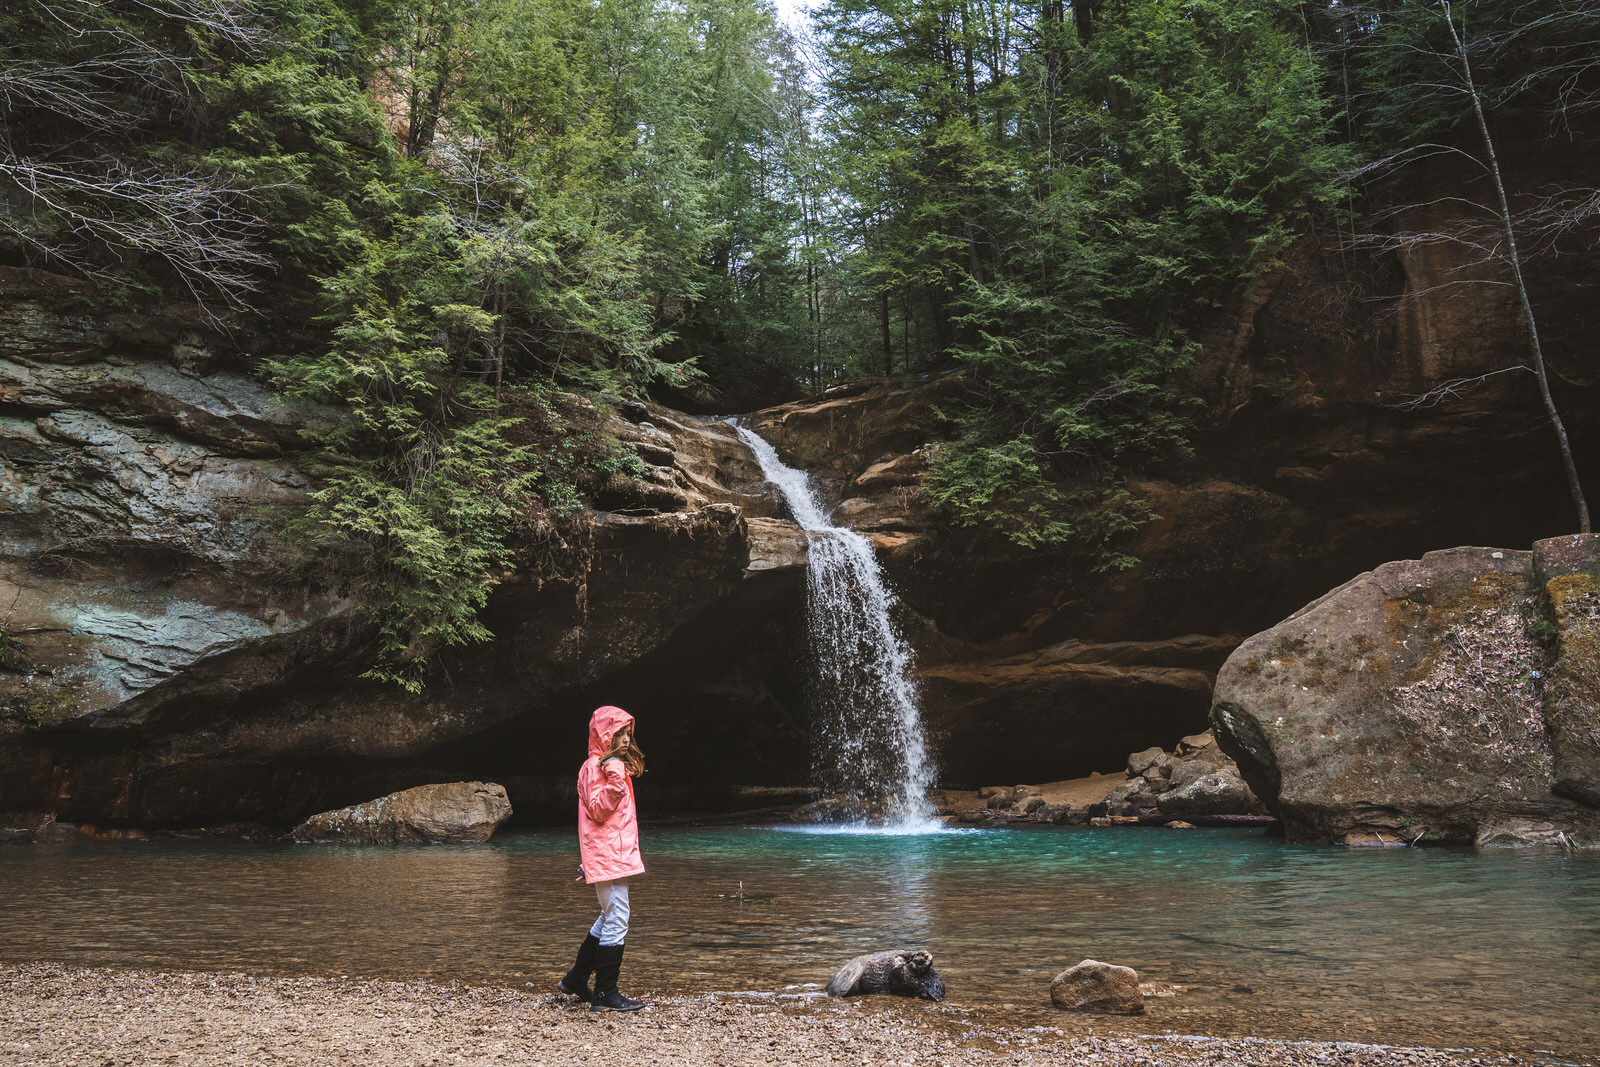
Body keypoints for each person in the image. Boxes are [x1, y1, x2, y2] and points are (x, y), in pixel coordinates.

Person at [558, 704, 647, 1012]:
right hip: (608, 854)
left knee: (610, 914)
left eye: (627, 734)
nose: (624, 740)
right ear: (604, 735)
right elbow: (597, 810)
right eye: (618, 734)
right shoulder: (597, 766)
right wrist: (616, 779)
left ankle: (576, 979)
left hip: (611, 852)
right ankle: (606, 993)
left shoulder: (604, 764)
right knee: (618, 916)